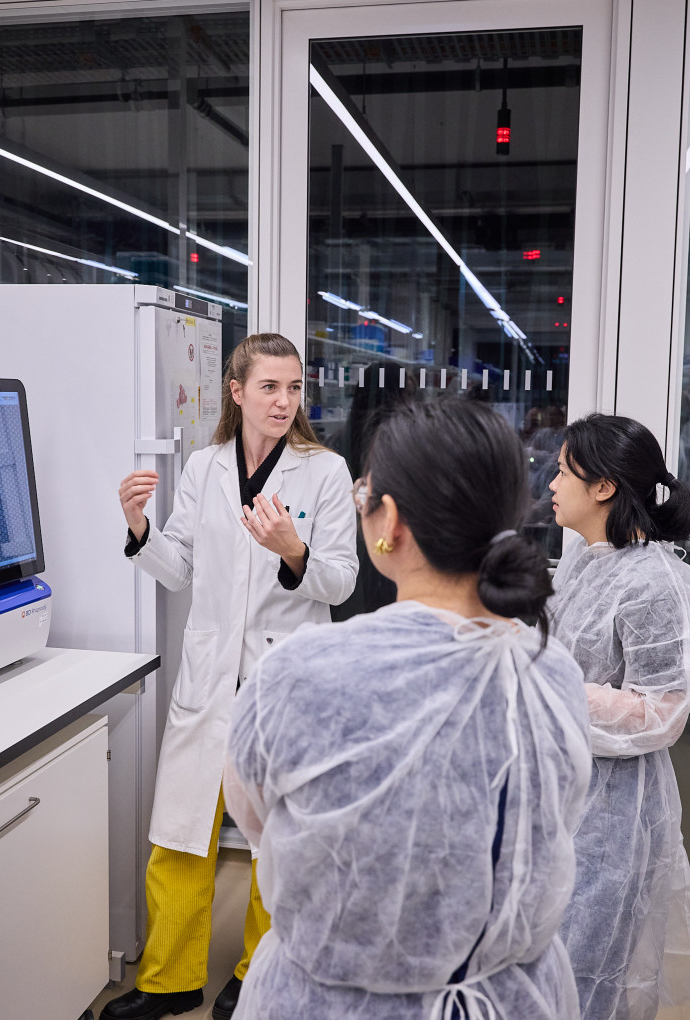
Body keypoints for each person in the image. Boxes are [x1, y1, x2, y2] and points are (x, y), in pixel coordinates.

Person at [223, 398, 595, 1020]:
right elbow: (553, 819)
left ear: (387, 520)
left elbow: (262, 823)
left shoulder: (298, 674)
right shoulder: (548, 668)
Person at [109, 333, 358, 1020]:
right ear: (237, 391)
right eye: (270, 388)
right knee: (181, 831)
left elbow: (340, 584)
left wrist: (293, 552)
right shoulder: (205, 467)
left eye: (295, 388)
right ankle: (168, 979)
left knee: (275, 841)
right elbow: (180, 568)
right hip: (211, 676)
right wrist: (139, 529)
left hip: (285, 683)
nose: (284, 401)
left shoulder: (325, 472)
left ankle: (258, 977)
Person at [546, 413, 690, 1020]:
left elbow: (662, 711)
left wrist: (551, 684)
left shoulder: (654, 584)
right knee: (545, 964)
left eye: (564, 471)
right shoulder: (587, 562)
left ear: (603, 488)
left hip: (611, 813)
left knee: (585, 972)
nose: (552, 484)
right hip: (565, 789)